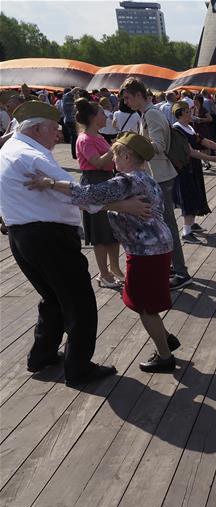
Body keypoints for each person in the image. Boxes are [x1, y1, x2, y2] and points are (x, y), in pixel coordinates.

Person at [0, 101, 145, 385]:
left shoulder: (8, 149)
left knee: (52, 298)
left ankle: (41, 356)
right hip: (49, 238)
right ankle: (78, 369)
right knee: (79, 303)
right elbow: (81, 194)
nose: (58, 134)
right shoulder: (34, 157)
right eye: (53, 129)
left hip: (21, 236)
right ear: (36, 129)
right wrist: (123, 205)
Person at [28, 132, 181, 372]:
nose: (113, 159)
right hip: (155, 246)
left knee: (145, 307)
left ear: (127, 156)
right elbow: (99, 201)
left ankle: (165, 357)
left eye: (115, 154)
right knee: (144, 300)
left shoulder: (126, 182)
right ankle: (167, 339)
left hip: (146, 251)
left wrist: (50, 184)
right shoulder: (146, 178)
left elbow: (88, 194)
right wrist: (121, 206)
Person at [120, 77, 192, 290]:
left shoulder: (151, 114)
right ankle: (173, 266)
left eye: (128, 98)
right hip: (158, 176)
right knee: (163, 223)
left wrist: (133, 145)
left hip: (160, 177)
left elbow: (158, 146)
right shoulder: (147, 113)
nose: (126, 102)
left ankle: (181, 272)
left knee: (167, 225)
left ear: (139, 95)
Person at [74, 98, 125, 289]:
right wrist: (114, 148)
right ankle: (104, 273)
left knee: (111, 229)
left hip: (105, 182)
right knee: (100, 232)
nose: (106, 116)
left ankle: (114, 269)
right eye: (103, 113)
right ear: (93, 117)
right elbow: (97, 162)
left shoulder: (97, 136)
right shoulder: (85, 139)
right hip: (94, 184)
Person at [172, 101, 216, 244]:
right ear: (181, 113)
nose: (191, 113)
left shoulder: (189, 127)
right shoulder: (177, 130)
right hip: (185, 169)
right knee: (188, 196)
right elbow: (190, 152)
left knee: (195, 193)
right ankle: (186, 232)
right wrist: (213, 159)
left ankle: (191, 224)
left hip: (193, 166)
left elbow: (203, 141)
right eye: (188, 111)